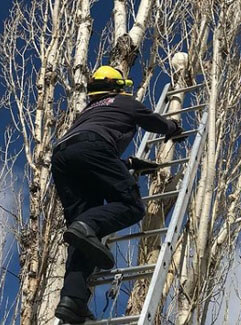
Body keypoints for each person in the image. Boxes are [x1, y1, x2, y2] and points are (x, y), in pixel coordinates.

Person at [51, 66, 185, 323]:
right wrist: (172, 127)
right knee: (131, 206)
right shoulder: (124, 101)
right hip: (93, 149)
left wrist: (131, 164)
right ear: (115, 85)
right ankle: (86, 225)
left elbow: (89, 151)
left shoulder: (87, 112)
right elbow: (151, 121)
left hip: (63, 157)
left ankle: (72, 300)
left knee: (85, 240)